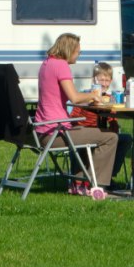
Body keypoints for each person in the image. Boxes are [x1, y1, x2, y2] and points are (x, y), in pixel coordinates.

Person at [36, 33, 118, 199]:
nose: (79, 54)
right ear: (69, 50)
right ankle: (94, 183)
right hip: (56, 132)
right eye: (78, 51)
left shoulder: (46, 64)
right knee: (111, 137)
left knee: (86, 130)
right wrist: (94, 95)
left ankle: (79, 182)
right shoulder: (61, 65)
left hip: (42, 130)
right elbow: (74, 97)